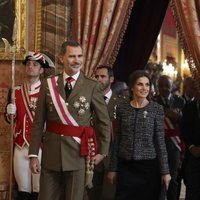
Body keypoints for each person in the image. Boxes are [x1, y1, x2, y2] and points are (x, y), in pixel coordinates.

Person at [28, 40, 111, 200]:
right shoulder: (48, 84)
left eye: (80, 56)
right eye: (72, 56)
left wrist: (103, 151)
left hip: (78, 155)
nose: (77, 60)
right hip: (51, 155)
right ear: (61, 58)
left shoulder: (91, 86)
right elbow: (38, 122)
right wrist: (33, 155)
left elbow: (103, 121)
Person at [107, 70, 171, 200]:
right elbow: (117, 139)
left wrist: (165, 172)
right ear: (132, 87)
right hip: (126, 167)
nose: (144, 88)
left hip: (148, 168)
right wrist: (112, 168)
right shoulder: (122, 108)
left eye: (147, 85)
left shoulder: (156, 109)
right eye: (140, 84)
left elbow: (160, 142)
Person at [5, 51, 51, 200]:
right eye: (28, 64)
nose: (31, 67)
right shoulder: (15, 91)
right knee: (23, 188)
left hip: (41, 145)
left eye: (35, 65)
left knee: (38, 187)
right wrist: (9, 113)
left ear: (41, 70)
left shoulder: (49, 92)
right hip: (20, 143)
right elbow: (11, 119)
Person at [88, 65, 126, 200]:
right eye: (96, 76)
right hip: (91, 156)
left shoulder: (122, 104)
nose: (99, 79)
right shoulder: (87, 101)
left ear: (111, 79)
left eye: (103, 76)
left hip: (112, 159)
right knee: (92, 195)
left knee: (109, 196)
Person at [155, 75, 185, 200]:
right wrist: (168, 112)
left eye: (167, 85)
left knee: (173, 178)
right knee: (158, 178)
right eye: (161, 86)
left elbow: (182, 121)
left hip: (174, 146)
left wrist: (176, 116)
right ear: (157, 87)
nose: (164, 88)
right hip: (157, 145)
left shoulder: (180, 101)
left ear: (172, 86)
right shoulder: (152, 100)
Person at [180, 94, 200, 200]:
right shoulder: (189, 107)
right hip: (193, 157)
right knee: (192, 193)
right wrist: (191, 147)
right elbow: (184, 129)